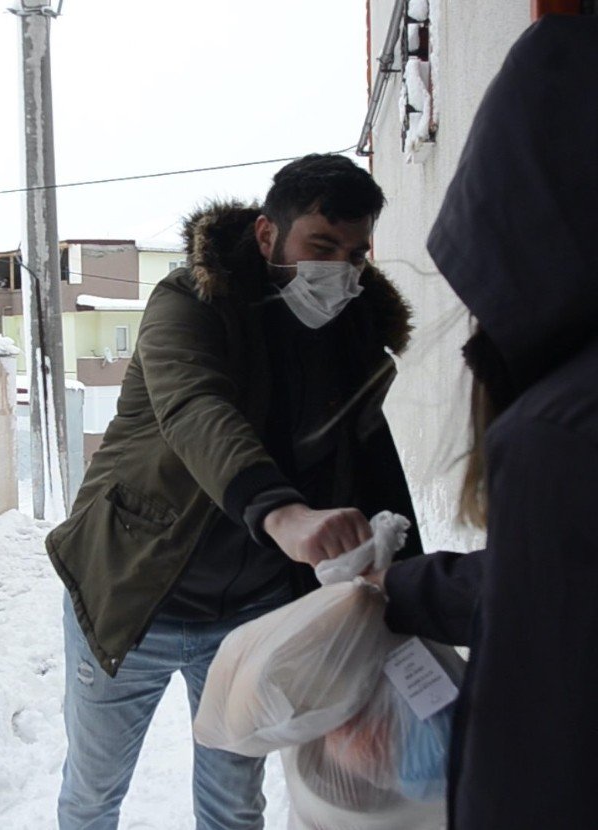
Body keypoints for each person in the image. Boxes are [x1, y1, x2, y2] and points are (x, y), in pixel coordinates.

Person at [46, 153, 423, 829]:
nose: (340, 268)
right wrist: (283, 514)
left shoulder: (351, 341)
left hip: (249, 616)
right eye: (321, 245)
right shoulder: (190, 301)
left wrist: (415, 600)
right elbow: (196, 409)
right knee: (93, 795)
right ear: (266, 235)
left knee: (232, 807)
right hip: (131, 599)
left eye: (356, 252)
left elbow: (375, 470)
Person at [364, 16, 598, 829]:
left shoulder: (560, 433)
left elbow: (534, 757)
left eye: (356, 252)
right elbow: (551, 583)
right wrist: (402, 584)